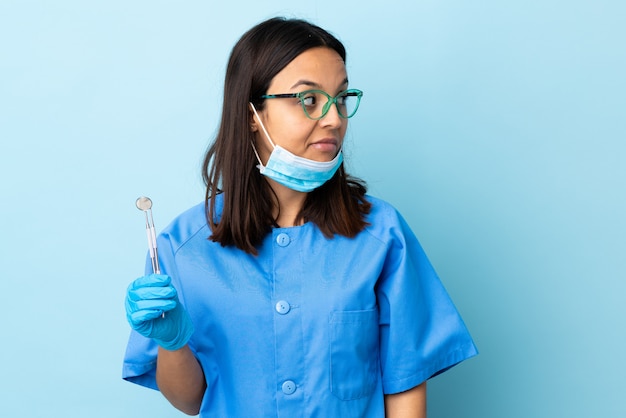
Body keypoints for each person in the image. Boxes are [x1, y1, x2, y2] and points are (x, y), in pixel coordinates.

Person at [123, 17, 477, 418]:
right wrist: (173, 342)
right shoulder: (183, 245)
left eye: (341, 98)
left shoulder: (381, 234)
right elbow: (190, 401)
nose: (334, 119)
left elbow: (405, 386)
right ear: (252, 115)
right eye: (309, 100)